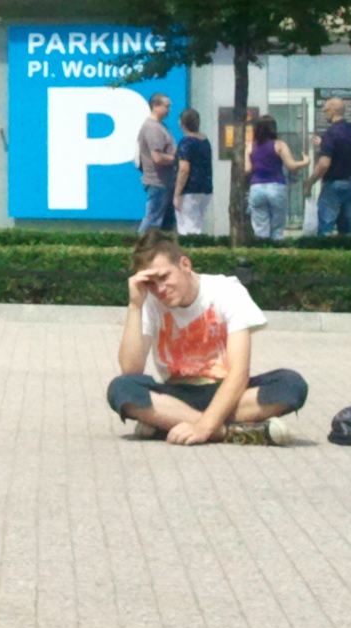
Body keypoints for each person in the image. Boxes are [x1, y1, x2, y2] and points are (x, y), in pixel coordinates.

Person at [107, 232, 308, 444]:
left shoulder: (226, 291)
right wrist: (135, 305)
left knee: (291, 384)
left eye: (164, 277)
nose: (160, 289)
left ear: (185, 264)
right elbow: (131, 370)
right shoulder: (150, 300)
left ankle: (167, 422)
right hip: (177, 393)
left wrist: (203, 427)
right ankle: (229, 432)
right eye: (151, 283)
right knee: (122, 389)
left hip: (229, 392)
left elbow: (239, 372)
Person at [310, 96, 351, 237]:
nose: (324, 112)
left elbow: (324, 163)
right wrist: (323, 143)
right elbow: (343, 150)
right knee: (346, 227)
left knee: (326, 227)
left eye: (325, 110)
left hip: (333, 185)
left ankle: (324, 256)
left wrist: (310, 182)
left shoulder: (331, 133)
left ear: (333, 111)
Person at [246, 113, 296, 241]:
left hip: (256, 187)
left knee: (260, 228)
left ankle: (262, 253)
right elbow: (291, 165)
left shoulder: (250, 146)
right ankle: (276, 254)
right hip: (277, 186)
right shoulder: (280, 145)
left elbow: (247, 169)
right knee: (277, 229)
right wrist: (305, 161)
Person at [136, 91, 179, 236]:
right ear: (155, 106)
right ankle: (140, 248)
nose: (169, 110)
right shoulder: (152, 128)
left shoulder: (160, 126)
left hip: (165, 182)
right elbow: (157, 157)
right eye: (167, 106)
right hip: (157, 182)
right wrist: (177, 158)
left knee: (164, 225)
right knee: (152, 222)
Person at [172, 108, 214, 237]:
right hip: (205, 188)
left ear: (182, 123)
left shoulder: (186, 142)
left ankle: (190, 252)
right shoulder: (205, 141)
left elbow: (184, 169)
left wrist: (177, 193)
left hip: (189, 189)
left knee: (187, 226)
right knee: (197, 223)